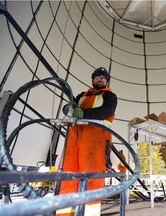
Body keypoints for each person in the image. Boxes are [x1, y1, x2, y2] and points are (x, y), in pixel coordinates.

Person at [56, 67, 117, 216]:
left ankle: (90, 213)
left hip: (95, 141)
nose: (101, 79)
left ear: (106, 81)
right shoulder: (81, 96)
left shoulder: (109, 96)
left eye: (104, 78)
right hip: (74, 138)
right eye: (98, 77)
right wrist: (68, 108)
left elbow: (106, 111)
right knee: (68, 175)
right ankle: (64, 213)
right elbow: (68, 108)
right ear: (93, 80)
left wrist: (83, 113)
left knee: (92, 177)